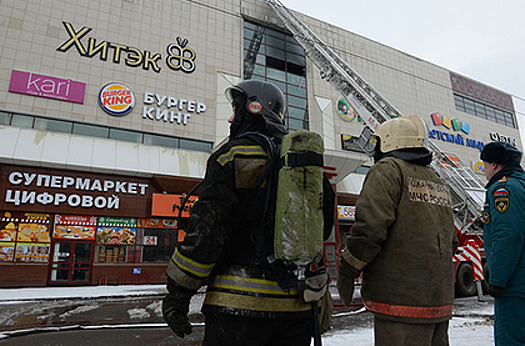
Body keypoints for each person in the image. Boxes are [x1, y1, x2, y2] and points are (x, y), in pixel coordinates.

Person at [162, 79, 335, 346]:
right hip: (297, 311)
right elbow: (321, 229)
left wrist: (178, 294)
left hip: (237, 309)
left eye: (235, 109)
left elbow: (208, 232)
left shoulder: (231, 156)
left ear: (251, 109)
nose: (231, 118)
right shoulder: (307, 167)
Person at [337, 115, 458, 346]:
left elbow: (370, 229)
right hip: (439, 301)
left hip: (401, 303)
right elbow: (451, 242)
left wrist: (348, 269)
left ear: (387, 142)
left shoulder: (388, 170)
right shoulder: (437, 181)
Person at [480, 141, 525, 345]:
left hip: (515, 284)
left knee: (510, 339)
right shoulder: (521, 184)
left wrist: (497, 279)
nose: (484, 170)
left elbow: (507, 235)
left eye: (485, 165)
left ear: (495, 165)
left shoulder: (503, 189)